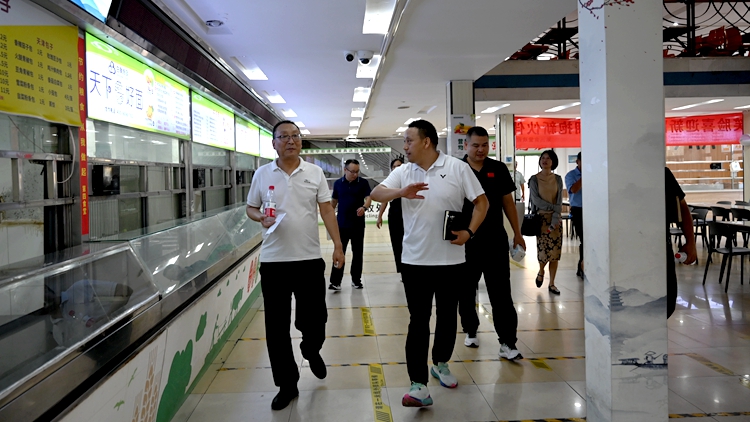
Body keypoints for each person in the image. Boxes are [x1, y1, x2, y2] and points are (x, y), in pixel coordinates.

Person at [371, 120, 488, 408]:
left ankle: (441, 363)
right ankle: (418, 384)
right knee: (418, 320)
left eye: (408, 140)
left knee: (447, 317)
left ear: (426, 142)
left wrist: (469, 232)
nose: (405, 146)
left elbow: (482, 203)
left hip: (451, 261)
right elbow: (376, 194)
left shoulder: (457, 168)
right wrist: (401, 192)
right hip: (414, 261)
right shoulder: (403, 171)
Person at [246, 120, 345, 411]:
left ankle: (311, 349)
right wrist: (260, 217)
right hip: (274, 262)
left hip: (309, 260)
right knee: (276, 327)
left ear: (301, 141)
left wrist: (338, 245)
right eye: (284, 137)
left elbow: (326, 210)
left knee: (315, 319)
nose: (291, 141)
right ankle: (287, 384)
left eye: (295, 136)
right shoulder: (262, 174)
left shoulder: (314, 173)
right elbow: (250, 207)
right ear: (274, 143)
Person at [457, 126, 526, 361]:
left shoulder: (498, 169)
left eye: (485, 145)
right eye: (476, 145)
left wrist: (517, 233)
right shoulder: (457, 169)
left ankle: (507, 342)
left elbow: (508, 203)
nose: (481, 149)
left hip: (495, 241)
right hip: (466, 242)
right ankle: (470, 329)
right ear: (466, 145)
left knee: (501, 294)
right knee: (466, 291)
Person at [329, 158, 372, 290]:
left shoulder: (363, 183)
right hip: (341, 224)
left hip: (358, 225)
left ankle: (356, 280)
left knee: (358, 253)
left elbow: (369, 198)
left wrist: (364, 207)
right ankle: (335, 282)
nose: (355, 174)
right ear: (345, 170)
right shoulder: (338, 184)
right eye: (352, 171)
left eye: (357, 172)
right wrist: (328, 216)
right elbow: (334, 201)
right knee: (339, 251)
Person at [529, 150, 563, 295]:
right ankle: (541, 270)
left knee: (555, 253)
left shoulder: (558, 179)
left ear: (553, 162)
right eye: (543, 158)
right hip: (541, 220)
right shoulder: (534, 179)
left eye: (548, 158)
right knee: (543, 252)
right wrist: (553, 207)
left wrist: (555, 215)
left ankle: (552, 283)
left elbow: (559, 200)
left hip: (555, 220)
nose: (545, 160)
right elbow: (536, 200)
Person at [666, 167, 696, 318]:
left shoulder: (662, 174)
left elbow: (682, 207)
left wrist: (690, 242)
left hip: (659, 248)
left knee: (667, 302)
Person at [376, 158, 405, 277]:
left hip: (407, 215)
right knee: (397, 243)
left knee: (407, 243)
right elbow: (384, 200)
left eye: (399, 166)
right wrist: (379, 216)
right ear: (391, 169)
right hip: (395, 216)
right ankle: (402, 270)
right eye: (394, 166)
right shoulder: (389, 183)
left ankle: (410, 269)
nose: (397, 168)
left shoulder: (408, 180)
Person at [565, 152, 584, 278]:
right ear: (577, 161)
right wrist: (584, 176)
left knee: (592, 240)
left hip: (593, 210)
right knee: (584, 239)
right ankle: (582, 267)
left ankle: (582, 266)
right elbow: (574, 190)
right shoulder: (570, 175)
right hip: (578, 210)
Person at [513, 161, 526, 230]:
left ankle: (518, 229)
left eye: (516, 164)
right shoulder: (507, 173)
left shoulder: (519, 174)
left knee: (517, 215)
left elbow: (522, 185)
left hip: (517, 197)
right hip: (509, 198)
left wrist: (523, 194)